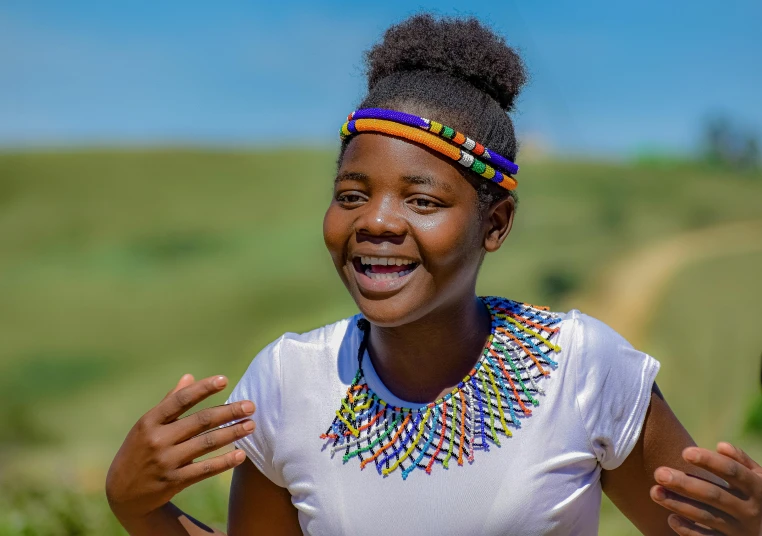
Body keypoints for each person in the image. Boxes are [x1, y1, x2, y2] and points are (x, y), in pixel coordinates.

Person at [105, 14, 762, 536]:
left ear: (495, 224)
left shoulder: (581, 369)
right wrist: (137, 507)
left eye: (422, 201)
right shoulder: (289, 382)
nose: (377, 222)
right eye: (352, 194)